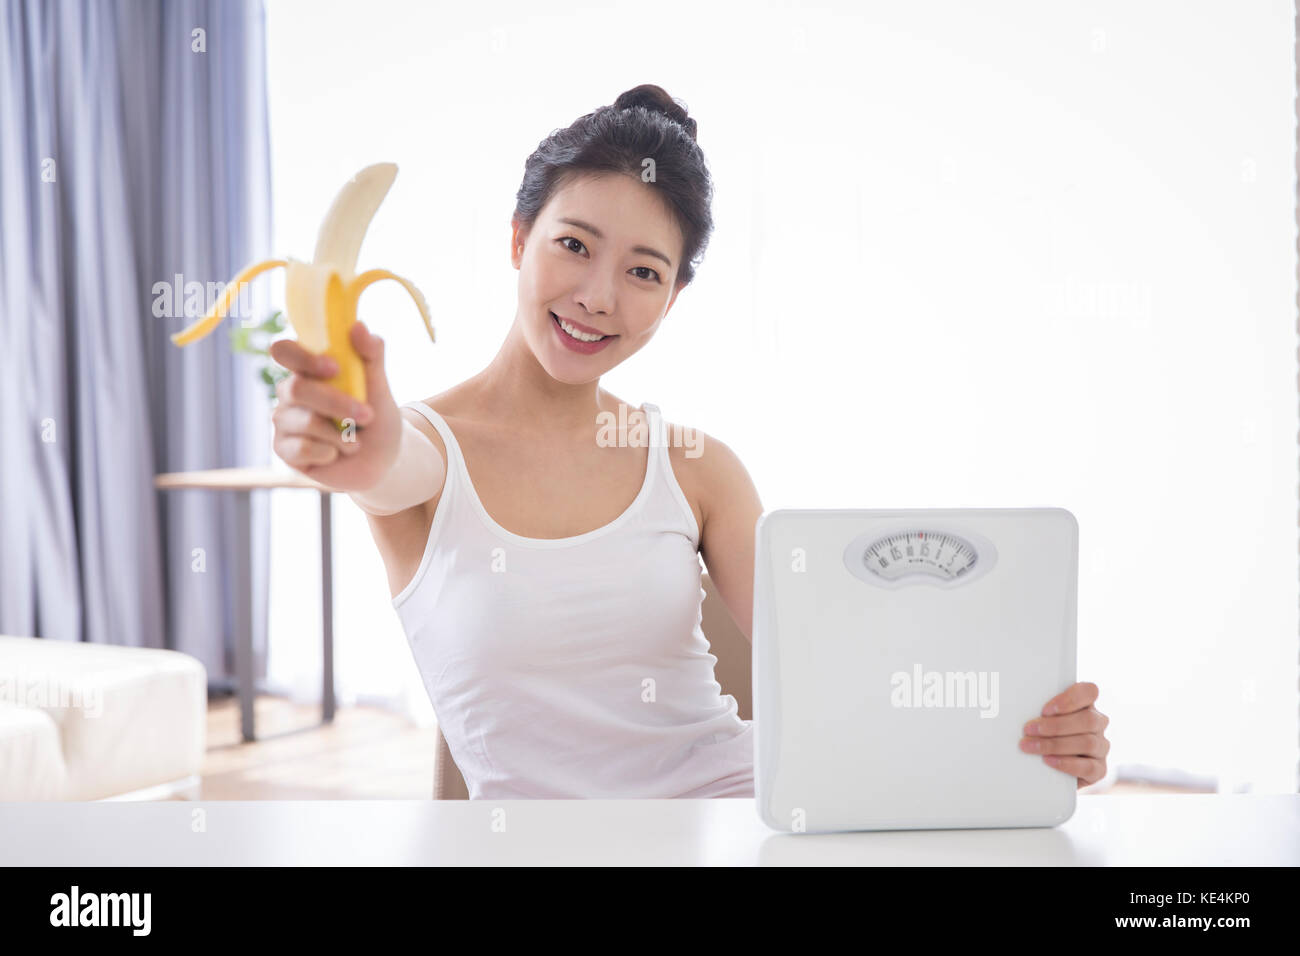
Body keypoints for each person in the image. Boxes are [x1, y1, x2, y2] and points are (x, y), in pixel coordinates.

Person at [268, 84, 1110, 799]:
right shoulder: (425, 449)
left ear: (670, 299)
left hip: (741, 821)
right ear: (519, 240)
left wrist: (1020, 731)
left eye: (643, 271)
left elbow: (832, 668)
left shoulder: (694, 467)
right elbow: (380, 464)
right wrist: (349, 437)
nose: (599, 296)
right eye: (574, 246)